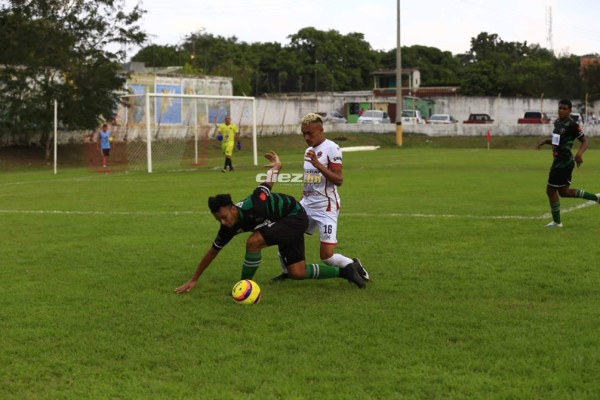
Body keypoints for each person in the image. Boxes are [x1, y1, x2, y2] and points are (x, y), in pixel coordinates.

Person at [175, 151, 366, 295]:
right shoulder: (227, 227)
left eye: (224, 217)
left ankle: (242, 287)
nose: (223, 222)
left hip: (295, 216)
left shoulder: (254, 203)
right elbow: (212, 251)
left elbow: (267, 184)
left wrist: (277, 166)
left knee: (253, 242)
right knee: (297, 272)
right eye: (219, 220)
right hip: (283, 224)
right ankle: (345, 271)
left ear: (233, 208)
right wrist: (194, 279)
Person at [271, 113, 369, 282]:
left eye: (310, 133)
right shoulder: (308, 151)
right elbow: (309, 178)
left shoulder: (332, 148)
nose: (306, 137)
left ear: (321, 130)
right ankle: (286, 272)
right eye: (304, 134)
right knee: (285, 233)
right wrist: (302, 198)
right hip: (307, 205)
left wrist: (318, 164)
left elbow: (338, 180)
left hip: (326, 207)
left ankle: (352, 264)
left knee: (327, 257)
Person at [536, 99, 600, 227]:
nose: (561, 110)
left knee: (550, 191)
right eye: (560, 108)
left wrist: (579, 154)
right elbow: (557, 140)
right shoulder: (558, 122)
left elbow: (585, 141)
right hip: (558, 161)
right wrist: (546, 142)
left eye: (564, 109)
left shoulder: (572, 125)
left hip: (564, 162)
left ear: (570, 111)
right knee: (564, 192)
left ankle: (557, 222)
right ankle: (596, 198)